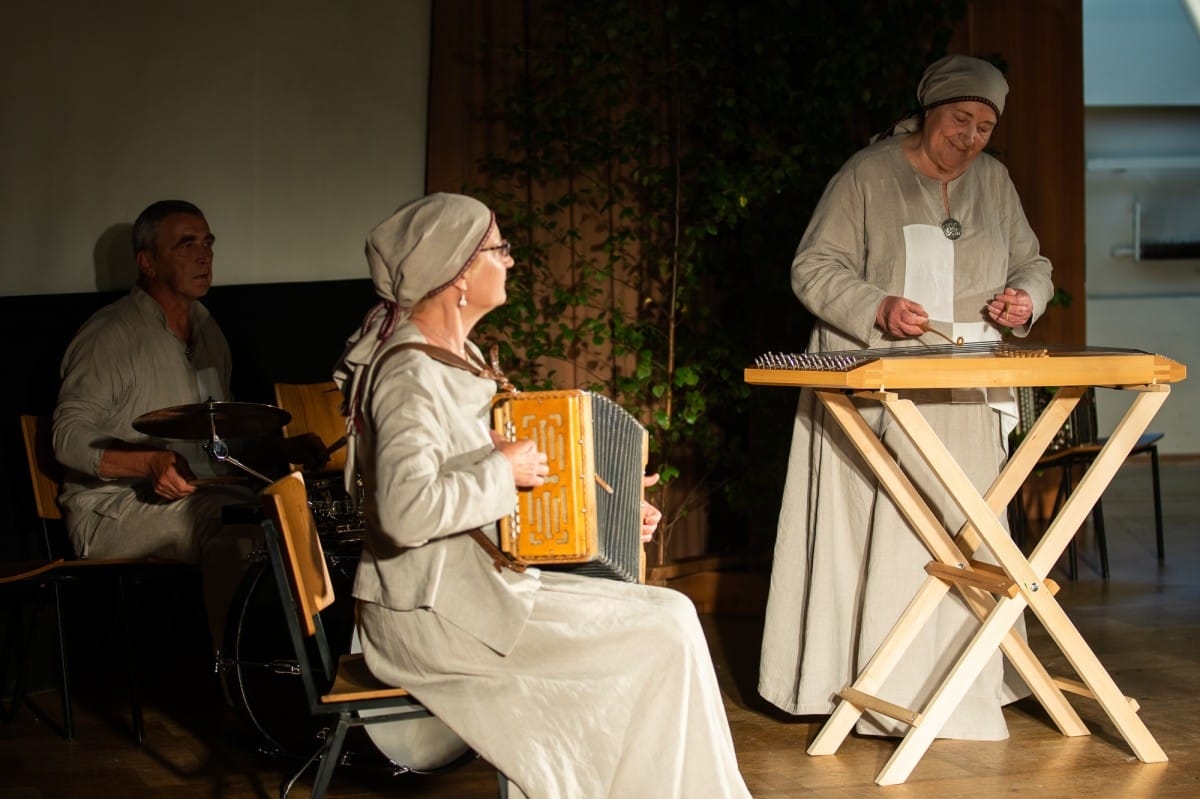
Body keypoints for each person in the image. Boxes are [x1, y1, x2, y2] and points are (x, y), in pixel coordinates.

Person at [333, 192, 752, 798]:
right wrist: (502, 471)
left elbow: (493, 480)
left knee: (671, 615)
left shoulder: (462, 358)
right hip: (432, 619)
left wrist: (607, 509)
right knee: (664, 630)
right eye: (496, 248)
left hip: (474, 591)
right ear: (457, 272)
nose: (508, 260)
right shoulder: (409, 375)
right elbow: (406, 511)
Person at [758, 55, 1054, 741]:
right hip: (877, 390)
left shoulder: (995, 181)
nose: (971, 139)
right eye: (960, 121)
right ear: (929, 113)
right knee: (887, 532)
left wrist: (1024, 299)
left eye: (985, 127)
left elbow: (1031, 262)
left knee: (962, 527)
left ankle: (957, 679)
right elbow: (813, 266)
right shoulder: (867, 174)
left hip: (964, 385)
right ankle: (871, 685)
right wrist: (876, 305)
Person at [53, 199, 325, 649]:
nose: (204, 255)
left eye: (207, 242)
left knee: (289, 508)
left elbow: (221, 438)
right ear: (148, 262)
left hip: (204, 491)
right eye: (186, 244)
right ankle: (236, 677)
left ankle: (306, 664)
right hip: (113, 509)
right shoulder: (110, 336)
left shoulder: (207, 329)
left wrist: (281, 451)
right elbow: (67, 437)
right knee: (230, 523)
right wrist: (148, 464)